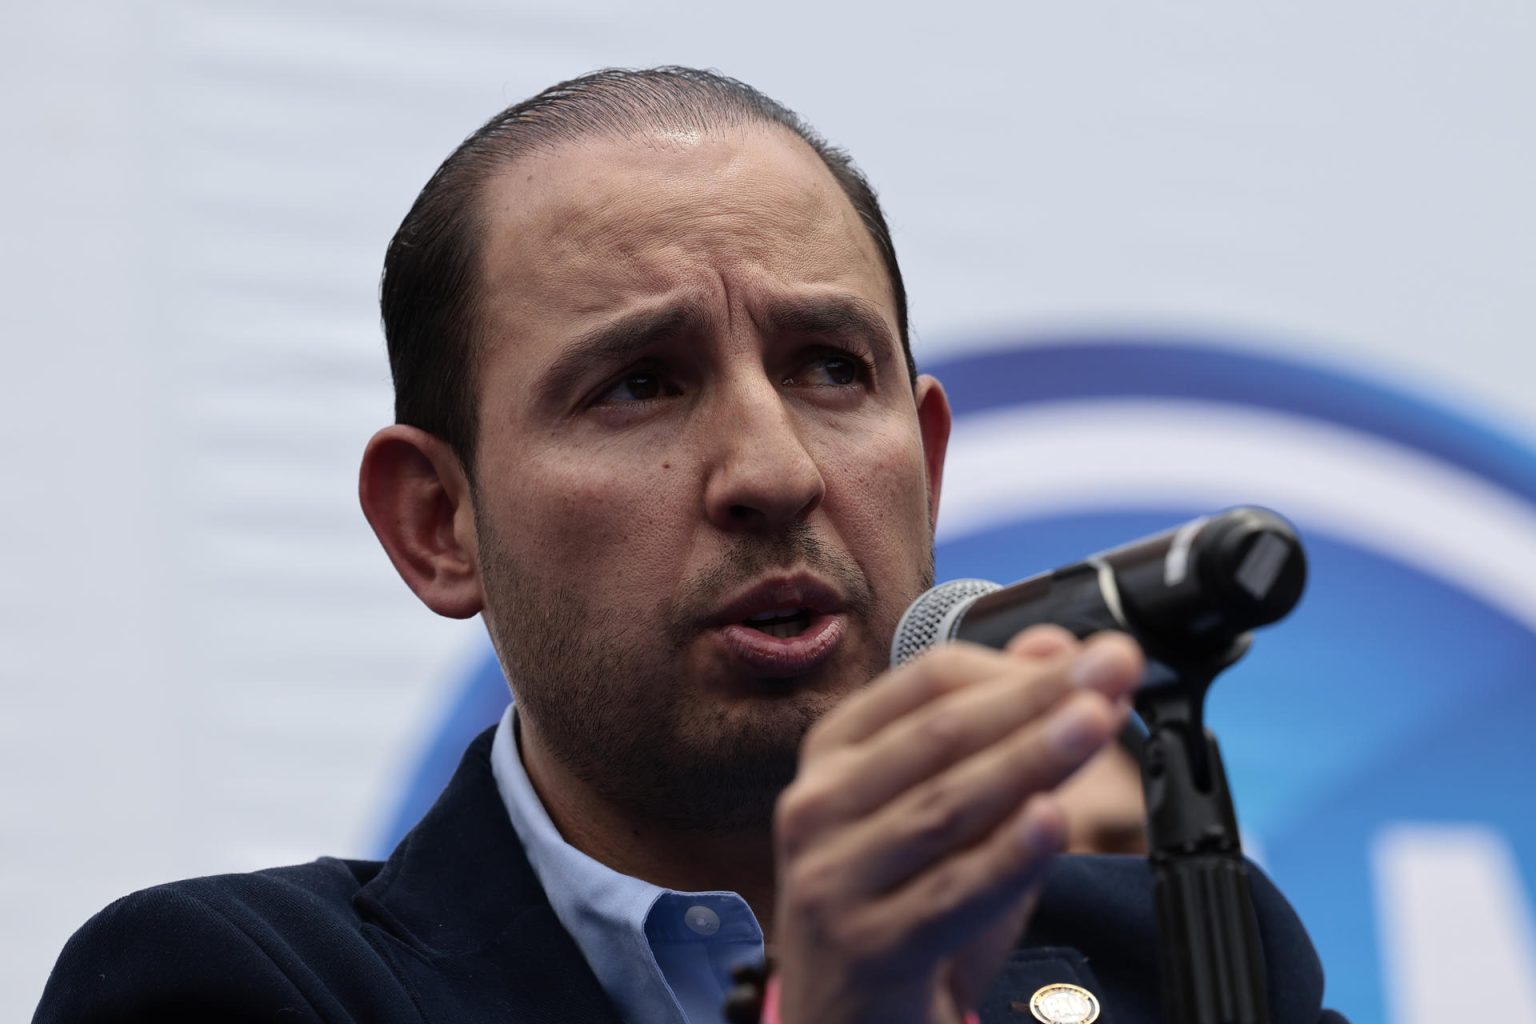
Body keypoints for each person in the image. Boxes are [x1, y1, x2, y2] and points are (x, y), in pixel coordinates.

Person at [35, 67, 1340, 1023]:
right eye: (639, 386)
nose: (775, 472)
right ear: (438, 526)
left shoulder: (1184, 960)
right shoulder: (229, 986)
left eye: (832, 368)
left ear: (929, 466)